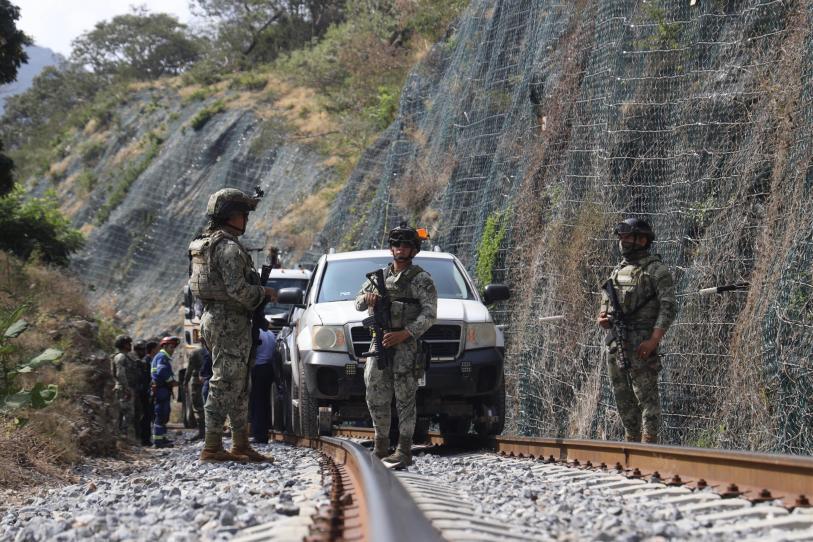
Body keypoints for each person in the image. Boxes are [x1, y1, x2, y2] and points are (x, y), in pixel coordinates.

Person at [188, 188, 277, 463]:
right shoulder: (228, 248)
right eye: (243, 214)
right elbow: (238, 290)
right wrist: (264, 293)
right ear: (230, 215)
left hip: (221, 319)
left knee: (239, 384)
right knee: (224, 382)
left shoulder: (207, 243)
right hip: (229, 322)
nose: (245, 219)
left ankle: (240, 444)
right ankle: (212, 447)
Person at [355, 224, 437, 467]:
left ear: (414, 250)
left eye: (406, 245)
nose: (401, 248)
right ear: (391, 248)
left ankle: (403, 449)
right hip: (379, 342)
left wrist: (405, 334)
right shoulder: (379, 276)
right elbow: (358, 303)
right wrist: (367, 298)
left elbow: (429, 314)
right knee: (375, 394)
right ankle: (381, 445)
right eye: (397, 244)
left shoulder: (421, 279)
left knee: (405, 398)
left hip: (406, 347)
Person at [597, 218, 676, 444]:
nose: (623, 241)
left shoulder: (656, 270)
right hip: (616, 343)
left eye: (628, 237)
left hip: (641, 343)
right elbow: (606, 303)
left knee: (647, 397)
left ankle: (649, 445)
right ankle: (631, 444)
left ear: (642, 240)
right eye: (621, 237)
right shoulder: (618, 270)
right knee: (622, 398)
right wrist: (603, 318)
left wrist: (653, 340)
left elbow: (668, 307)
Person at [151, 336, 180, 448]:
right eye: (171, 347)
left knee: (163, 415)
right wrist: (171, 381)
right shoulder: (162, 357)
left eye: (174, 348)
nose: (173, 350)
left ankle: (162, 439)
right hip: (161, 389)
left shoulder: (162, 357)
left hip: (162, 389)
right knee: (161, 414)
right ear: (165, 346)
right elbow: (162, 371)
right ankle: (158, 442)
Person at [249, 325, 276, 443]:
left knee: (257, 402)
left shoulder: (255, 332)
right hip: (268, 368)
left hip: (258, 368)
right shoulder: (270, 334)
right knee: (265, 402)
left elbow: (251, 351)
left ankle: (259, 434)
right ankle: (264, 433)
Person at [111, 335, 136, 439]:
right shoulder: (121, 357)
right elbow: (120, 374)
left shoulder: (125, 356)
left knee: (125, 413)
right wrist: (126, 388)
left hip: (125, 388)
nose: (130, 345)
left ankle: (122, 435)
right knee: (127, 413)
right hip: (123, 388)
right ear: (124, 345)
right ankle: (122, 435)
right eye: (128, 343)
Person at [185, 345, 208, 441]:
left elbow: (189, 369)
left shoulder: (195, 353)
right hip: (210, 380)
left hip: (197, 382)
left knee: (198, 407)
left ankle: (202, 432)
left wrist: (185, 382)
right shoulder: (215, 351)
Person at [133, 340, 153, 446]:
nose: (143, 351)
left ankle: (145, 439)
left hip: (144, 392)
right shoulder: (133, 362)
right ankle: (138, 439)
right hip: (136, 393)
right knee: (138, 416)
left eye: (144, 349)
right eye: (140, 350)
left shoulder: (145, 362)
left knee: (146, 416)